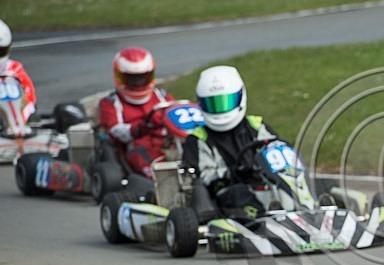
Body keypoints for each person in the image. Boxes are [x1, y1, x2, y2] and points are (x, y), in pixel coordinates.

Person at [182, 65, 280, 221]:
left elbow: (280, 152)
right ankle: (261, 221)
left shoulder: (256, 126)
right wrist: (232, 173)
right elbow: (205, 177)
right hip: (225, 197)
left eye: (225, 102)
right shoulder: (198, 138)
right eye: (213, 104)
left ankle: (311, 209)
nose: (220, 110)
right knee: (238, 193)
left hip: (263, 187)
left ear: (240, 97)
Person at [98, 47, 174, 179]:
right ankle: (162, 182)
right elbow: (116, 131)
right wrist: (141, 128)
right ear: (120, 77)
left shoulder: (162, 96)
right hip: (136, 149)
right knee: (143, 159)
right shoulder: (111, 102)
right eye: (132, 79)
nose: (138, 83)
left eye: (142, 77)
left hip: (169, 145)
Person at [0, 19, 37, 134]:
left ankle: (17, 125)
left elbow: (30, 95)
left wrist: (25, 114)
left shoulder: (14, 69)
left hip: (16, 125)